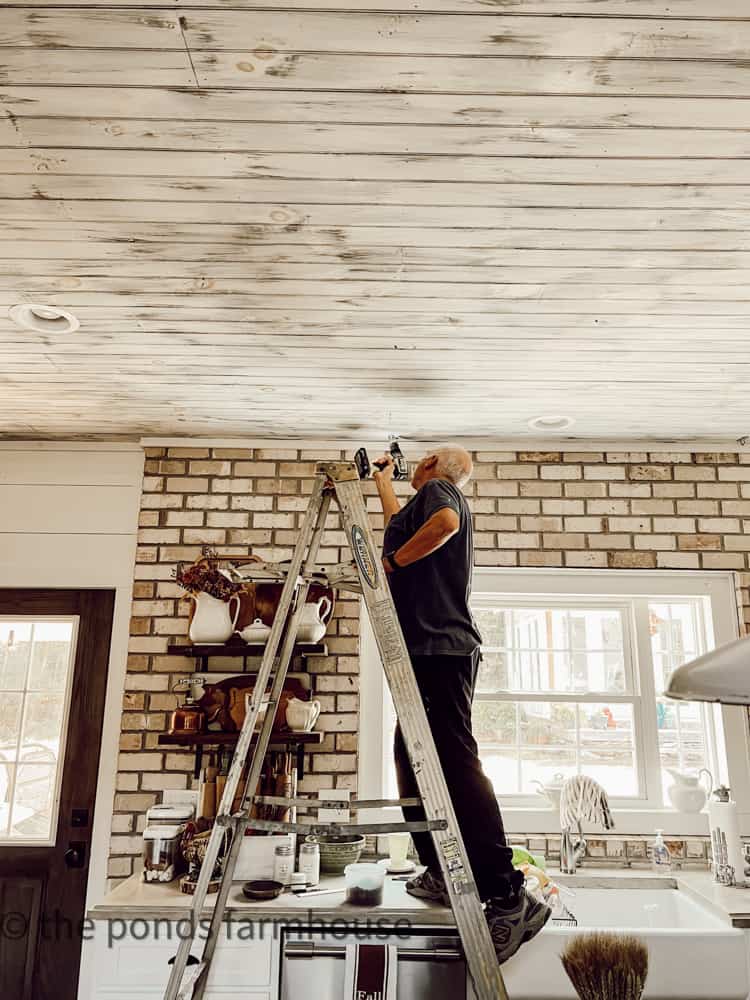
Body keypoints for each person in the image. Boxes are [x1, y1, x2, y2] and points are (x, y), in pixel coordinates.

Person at [373, 444, 550, 964]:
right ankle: (440, 870)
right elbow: (399, 526)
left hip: (442, 648)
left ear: (431, 466)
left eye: (419, 462)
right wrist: (383, 482)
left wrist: (390, 562)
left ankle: (506, 892)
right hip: (426, 651)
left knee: (453, 761)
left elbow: (444, 523)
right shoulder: (418, 503)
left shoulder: (439, 491)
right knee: (411, 761)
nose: (415, 469)